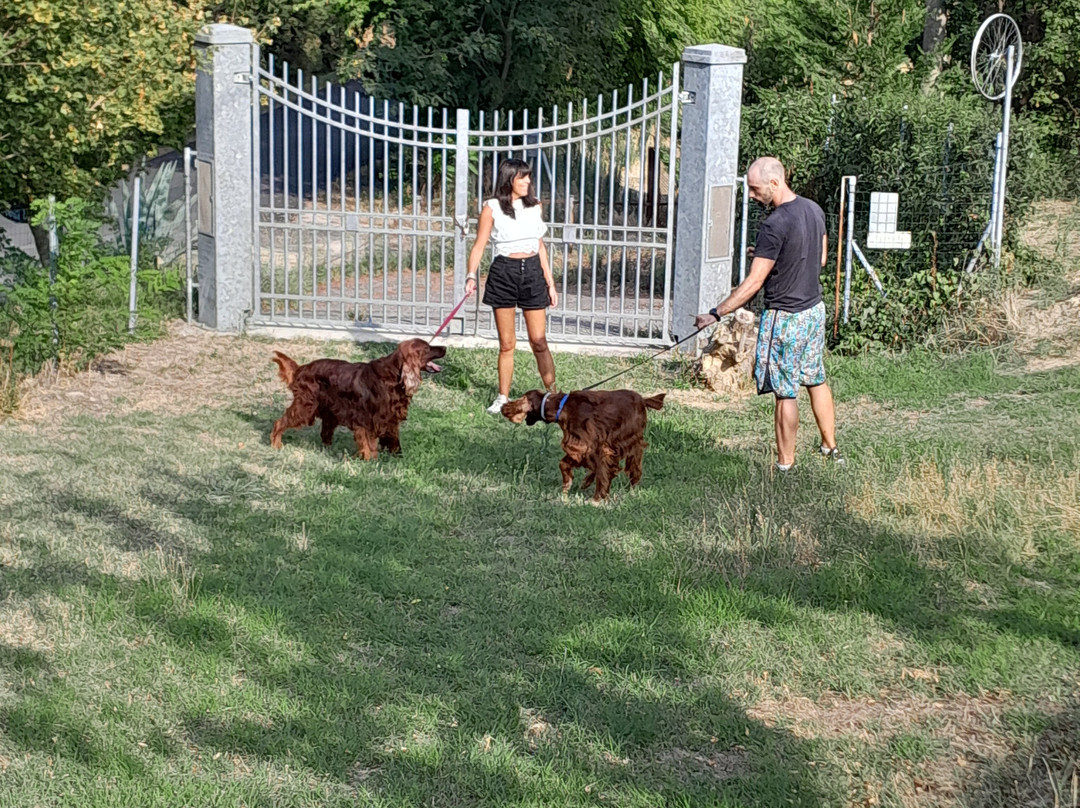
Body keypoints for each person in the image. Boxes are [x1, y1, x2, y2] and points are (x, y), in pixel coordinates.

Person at [694, 156, 843, 471]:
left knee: (785, 392)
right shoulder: (814, 210)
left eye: (754, 188)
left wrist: (715, 313)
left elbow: (753, 283)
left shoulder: (774, 224)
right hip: (813, 312)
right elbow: (821, 259)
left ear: (775, 183)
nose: (750, 194)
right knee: (816, 379)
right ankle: (831, 447)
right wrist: (771, 256)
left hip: (785, 318)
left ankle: (785, 465)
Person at [465, 158, 558, 414]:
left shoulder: (535, 206)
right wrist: (471, 275)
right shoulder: (492, 207)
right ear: (509, 180)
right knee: (507, 344)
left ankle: (554, 395)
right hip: (503, 273)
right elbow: (479, 245)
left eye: (528, 177)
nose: (528, 181)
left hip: (533, 274)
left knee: (539, 341)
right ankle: (502, 397)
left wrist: (550, 283)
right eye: (522, 177)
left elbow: (540, 246)